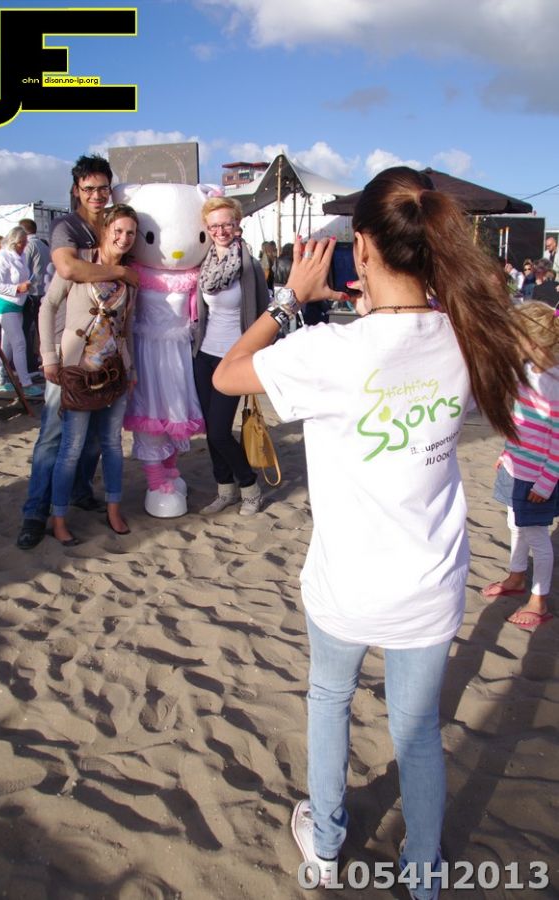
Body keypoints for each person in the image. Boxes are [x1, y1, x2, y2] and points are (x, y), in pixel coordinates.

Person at [213, 167, 530, 898]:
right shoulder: (466, 337)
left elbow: (227, 374)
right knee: (417, 732)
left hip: (348, 583)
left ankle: (326, 844)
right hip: (430, 582)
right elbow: (422, 332)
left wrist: (291, 298)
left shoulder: (331, 350)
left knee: (330, 699)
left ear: (361, 245)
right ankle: (424, 874)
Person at [16, 154, 138, 551]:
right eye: (89, 189)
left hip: (105, 355)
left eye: (103, 188)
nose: (97, 195)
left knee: (93, 440)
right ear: (76, 190)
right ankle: (36, 512)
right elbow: (68, 271)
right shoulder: (67, 227)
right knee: (55, 437)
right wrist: (49, 354)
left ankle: (80, 492)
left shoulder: (113, 226)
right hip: (66, 349)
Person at [39, 203, 138, 545]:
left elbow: (127, 327)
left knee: (112, 444)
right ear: (105, 229)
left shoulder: (130, 278)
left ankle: (113, 509)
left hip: (115, 373)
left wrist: (132, 369)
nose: (124, 238)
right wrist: (49, 357)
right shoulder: (79, 263)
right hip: (79, 373)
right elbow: (48, 307)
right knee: (71, 447)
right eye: (118, 230)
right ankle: (58, 517)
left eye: (131, 233)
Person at [482, 302, 558, 631]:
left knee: (537, 536)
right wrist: (507, 453)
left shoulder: (554, 384)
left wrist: (545, 483)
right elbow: (521, 422)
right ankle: (516, 577)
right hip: (516, 466)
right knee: (515, 523)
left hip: (537, 478)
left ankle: (539, 600)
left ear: (533, 341)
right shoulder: (527, 371)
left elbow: (557, 443)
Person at [192, 196, 269, 516]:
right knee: (210, 430)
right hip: (203, 356)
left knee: (220, 431)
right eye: (214, 226)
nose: (221, 231)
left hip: (233, 358)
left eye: (227, 224)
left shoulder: (249, 266)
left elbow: (263, 313)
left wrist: (257, 355)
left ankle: (250, 486)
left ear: (237, 224)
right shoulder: (204, 263)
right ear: (206, 228)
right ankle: (225, 488)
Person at [0, 226, 43, 396]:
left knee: (8, 345)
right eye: (21, 243)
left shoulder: (22, 255)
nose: (24, 246)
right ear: (13, 242)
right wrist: (17, 288)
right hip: (4, 304)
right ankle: (25, 384)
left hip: (17, 303)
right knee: (19, 343)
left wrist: (26, 286)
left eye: (25, 242)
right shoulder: (1, 257)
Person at [18, 218, 52, 373]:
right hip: (45, 291)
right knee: (42, 329)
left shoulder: (29, 246)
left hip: (32, 293)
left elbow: (23, 269)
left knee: (26, 330)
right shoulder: (44, 246)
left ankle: (29, 363)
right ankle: (45, 360)